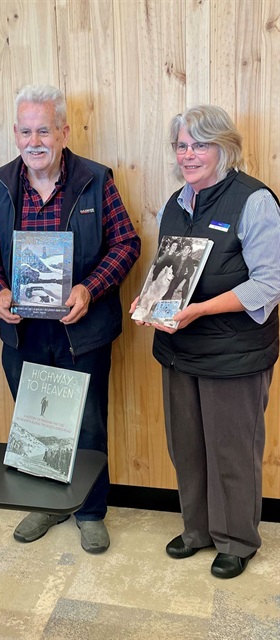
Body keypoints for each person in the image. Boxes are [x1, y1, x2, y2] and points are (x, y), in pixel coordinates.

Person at [0, 85, 140, 553]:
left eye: (44, 130)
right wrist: (0, 288)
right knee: (35, 422)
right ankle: (47, 504)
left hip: (81, 328)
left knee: (87, 422)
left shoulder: (95, 179)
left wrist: (90, 288)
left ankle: (89, 511)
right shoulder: (1, 182)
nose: (35, 140)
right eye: (26, 131)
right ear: (15, 134)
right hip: (24, 331)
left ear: (64, 132)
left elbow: (126, 244)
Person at [131, 105, 280, 578]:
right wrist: (150, 299)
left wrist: (198, 311)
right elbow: (169, 272)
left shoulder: (253, 201)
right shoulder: (177, 203)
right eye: (182, 145)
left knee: (231, 450)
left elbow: (269, 283)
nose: (189, 154)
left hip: (235, 353)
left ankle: (236, 539)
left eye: (200, 144)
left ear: (224, 148)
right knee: (186, 446)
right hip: (179, 351)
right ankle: (197, 529)